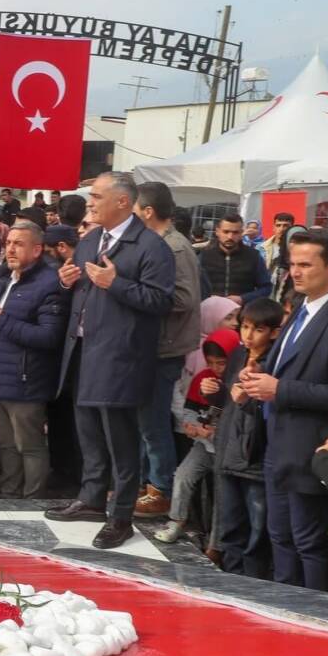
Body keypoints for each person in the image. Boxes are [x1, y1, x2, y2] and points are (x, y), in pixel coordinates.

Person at [45, 172, 175, 550]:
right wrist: (66, 281)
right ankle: (91, 498)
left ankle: (121, 516)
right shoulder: (91, 240)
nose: (90, 203)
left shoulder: (151, 246)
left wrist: (115, 283)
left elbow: (161, 301)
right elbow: (81, 288)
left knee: (121, 439)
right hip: (83, 350)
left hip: (121, 356)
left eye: (97, 196)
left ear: (122, 201)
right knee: (87, 431)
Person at [242, 229, 328, 591]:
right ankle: (284, 606)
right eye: (292, 264)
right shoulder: (301, 307)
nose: (295, 272)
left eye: (305, 265)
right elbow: (286, 366)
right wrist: (257, 377)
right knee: (280, 536)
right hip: (277, 443)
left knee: (308, 542)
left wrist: (280, 389)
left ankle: (315, 614)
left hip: (310, 447)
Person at [0, 220, 68, 498]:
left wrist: (1, 321)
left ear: (37, 249)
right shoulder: (3, 278)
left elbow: (48, 337)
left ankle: (32, 499)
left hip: (26, 380)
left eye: (18, 244)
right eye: (8, 243)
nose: (10, 249)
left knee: (29, 445)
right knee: (5, 443)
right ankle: (11, 491)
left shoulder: (49, 284)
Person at [132, 182, 202, 518]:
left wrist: (139, 294)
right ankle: (144, 484)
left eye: (134, 210)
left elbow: (185, 298)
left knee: (153, 422)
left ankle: (160, 489)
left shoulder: (174, 247)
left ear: (148, 211)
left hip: (166, 347)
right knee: (143, 422)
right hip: (152, 345)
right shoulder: (156, 243)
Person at [201, 298, 284, 576]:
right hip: (229, 450)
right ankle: (231, 579)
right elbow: (229, 400)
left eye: (258, 329)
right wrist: (212, 392)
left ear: (274, 332)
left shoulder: (276, 362)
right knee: (230, 526)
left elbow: (269, 410)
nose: (248, 335)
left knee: (257, 531)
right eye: (245, 327)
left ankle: (253, 583)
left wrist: (246, 401)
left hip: (255, 457)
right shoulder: (237, 354)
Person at [153, 330, 239, 545]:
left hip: (228, 450)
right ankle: (177, 521)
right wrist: (192, 427)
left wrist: (214, 432)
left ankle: (216, 543)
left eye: (222, 363)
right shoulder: (203, 378)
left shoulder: (239, 382)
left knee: (221, 494)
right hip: (203, 445)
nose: (216, 368)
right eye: (211, 363)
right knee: (183, 475)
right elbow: (190, 411)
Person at [199, 214, 272, 304]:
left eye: (235, 232)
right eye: (226, 232)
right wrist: (208, 298)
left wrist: (243, 299)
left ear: (241, 233)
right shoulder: (204, 256)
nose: (230, 237)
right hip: (209, 309)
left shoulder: (254, 256)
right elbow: (193, 286)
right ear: (217, 232)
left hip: (243, 310)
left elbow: (266, 288)